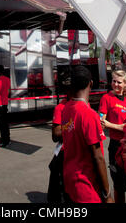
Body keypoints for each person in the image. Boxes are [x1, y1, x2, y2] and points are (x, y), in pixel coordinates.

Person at [61, 65, 113, 203]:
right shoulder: (89, 115)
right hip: (86, 186)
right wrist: (107, 194)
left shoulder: (66, 108)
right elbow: (98, 157)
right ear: (91, 83)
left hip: (70, 178)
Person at [98, 69, 126, 203]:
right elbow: (101, 122)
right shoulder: (106, 98)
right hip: (116, 146)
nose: (115, 84)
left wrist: (114, 125)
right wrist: (117, 126)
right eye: (113, 81)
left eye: (119, 82)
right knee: (119, 185)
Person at [47, 74, 71, 203]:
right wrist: (74, 128)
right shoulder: (60, 107)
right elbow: (55, 135)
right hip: (64, 154)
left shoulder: (84, 105)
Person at [0, 65, 11, 147]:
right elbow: (9, 91)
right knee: (5, 123)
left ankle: (4, 141)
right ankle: (7, 139)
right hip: (5, 103)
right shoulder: (8, 79)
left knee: (1, 124)